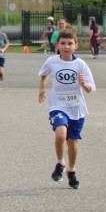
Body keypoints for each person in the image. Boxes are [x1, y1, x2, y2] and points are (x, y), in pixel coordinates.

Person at [37, 27, 96, 190]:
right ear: (57, 45)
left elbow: (91, 88)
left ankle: (71, 170)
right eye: (63, 43)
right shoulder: (52, 61)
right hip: (57, 105)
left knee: (72, 142)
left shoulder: (80, 64)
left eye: (70, 43)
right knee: (61, 134)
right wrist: (42, 87)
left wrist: (84, 84)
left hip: (76, 108)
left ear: (76, 45)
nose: (66, 46)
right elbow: (44, 73)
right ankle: (60, 163)